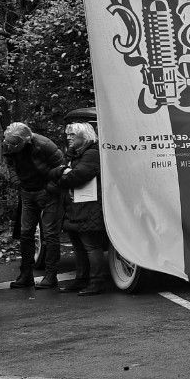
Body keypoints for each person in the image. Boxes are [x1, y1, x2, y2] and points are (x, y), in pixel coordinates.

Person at [0, 122, 66, 289]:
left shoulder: (45, 145)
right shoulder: (8, 144)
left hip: (47, 191)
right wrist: (16, 182)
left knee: (50, 234)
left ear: (26, 140)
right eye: (8, 143)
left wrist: (50, 188)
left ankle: (51, 276)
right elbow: (10, 165)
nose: (10, 146)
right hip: (27, 191)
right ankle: (26, 275)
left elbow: (61, 167)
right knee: (25, 233)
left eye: (15, 144)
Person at [52, 121, 108, 296]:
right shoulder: (76, 155)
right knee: (79, 247)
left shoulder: (91, 154)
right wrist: (63, 172)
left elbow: (76, 177)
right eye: (67, 134)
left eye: (72, 135)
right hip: (76, 207)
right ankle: (81, 279)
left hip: (88, 207)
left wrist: (61, 176)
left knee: (91, 246)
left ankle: (96, 282)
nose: (68, 138)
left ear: (84, 136)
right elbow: (63, 172)